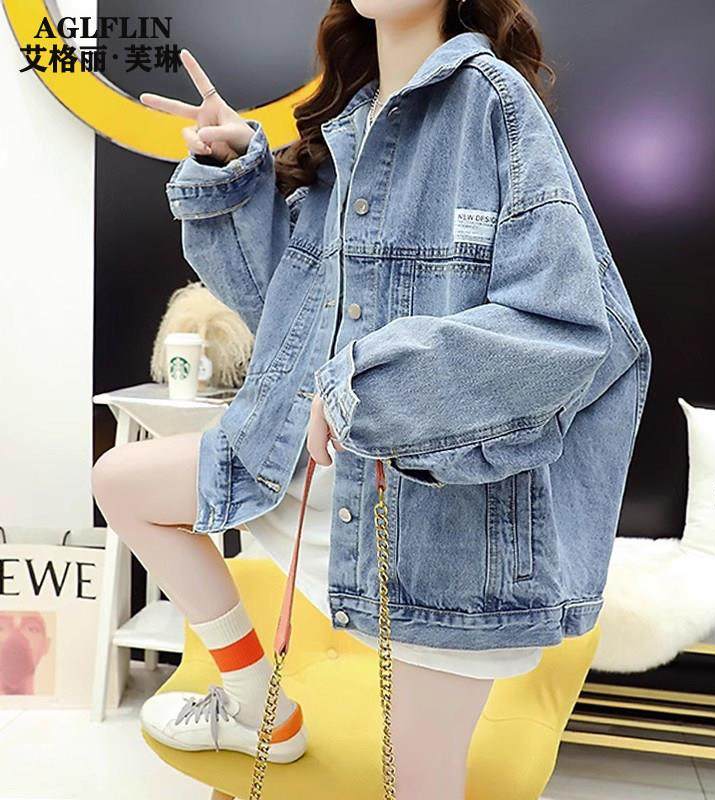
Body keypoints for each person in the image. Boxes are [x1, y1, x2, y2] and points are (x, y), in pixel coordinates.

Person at [92, 1, 651, 798]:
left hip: (438, 518)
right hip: (318, 477)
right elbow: (282, 304)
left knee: (418, 786)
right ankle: (257, 706)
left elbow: (563, 330)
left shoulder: (491, 102)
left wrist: (368, 384)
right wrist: (235, 174)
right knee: (123, 481)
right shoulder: (351, 127)